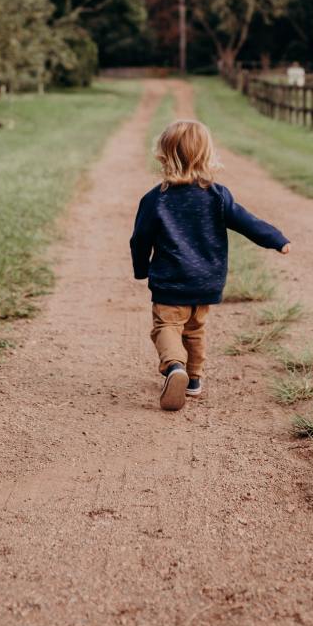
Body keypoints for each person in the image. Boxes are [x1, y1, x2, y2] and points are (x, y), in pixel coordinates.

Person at [130, 119, 290, 411]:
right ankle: (193, 379)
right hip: (206, 281)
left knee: (167, 326)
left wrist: (142, 268)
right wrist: (276, 239)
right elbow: (247, 222)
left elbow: (140, 239)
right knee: (195, 329)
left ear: (163, 156)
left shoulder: (155, 199)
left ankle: (174, 366)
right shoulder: (217, 196)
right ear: (207, 155)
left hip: (170, 282)